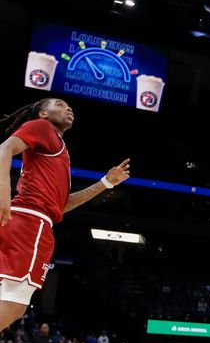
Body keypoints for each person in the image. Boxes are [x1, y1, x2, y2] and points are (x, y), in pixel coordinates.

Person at [0, 99, 130, 329]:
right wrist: (3, 193)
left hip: (29, 220)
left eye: (69, 106)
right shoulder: (41, 127)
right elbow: (4, 148)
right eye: (59, 104)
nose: (68, 108)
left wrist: (105, 183)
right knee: (14, 303)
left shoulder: (57, 150)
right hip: (30, 222)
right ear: (43, 113)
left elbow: (60, 207)